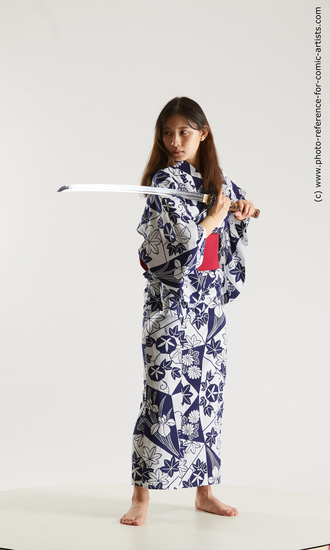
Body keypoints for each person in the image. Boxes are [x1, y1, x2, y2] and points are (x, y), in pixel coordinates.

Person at [120, 97, 255, 526]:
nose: (175, 141)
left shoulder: (221, 183)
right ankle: (142, 496)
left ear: (203, 132)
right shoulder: (163, 183)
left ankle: (205, 492)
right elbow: (167, 254)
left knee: (206, 398)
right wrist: (213, 220)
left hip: (208, 309)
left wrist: (240, 214)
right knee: (161, 397)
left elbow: (227, 244)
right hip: (171, 308)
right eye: (167, 133)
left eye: (184, 132)